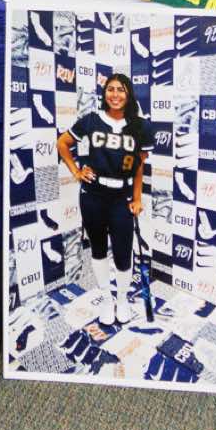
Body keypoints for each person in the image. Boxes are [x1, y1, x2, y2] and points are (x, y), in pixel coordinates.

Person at [58, 73, 152, 325]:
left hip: (122, 197)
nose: (115, 94)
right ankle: (106, 300)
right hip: (93, 196)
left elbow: (139, 167)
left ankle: (122, 299)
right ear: (104, 93)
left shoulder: (140, 127)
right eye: (110, 89)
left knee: (123, 253)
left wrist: (137, 198)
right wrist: (76, 171)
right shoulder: (91, 120)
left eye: (121, 89)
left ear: (128, 94)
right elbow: (62, 143)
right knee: (98, 249)